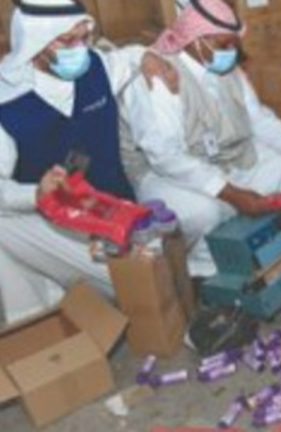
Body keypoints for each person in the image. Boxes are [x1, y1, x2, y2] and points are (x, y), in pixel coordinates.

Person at [119, 0, 281, 278]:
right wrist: (233, 194)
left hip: (225, 157)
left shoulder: (224, 66)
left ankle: (260, 247)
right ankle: (204, 273)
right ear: (197, 41)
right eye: (224, 45)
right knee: (207, 212)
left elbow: (260, 120)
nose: (232, 52)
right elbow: (166, 156)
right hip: (164, 174)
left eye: (234, 44)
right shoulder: (161, 77)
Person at [0, 0, 177, 324]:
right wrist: (34, 195)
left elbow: (131, 56)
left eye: (84, 37)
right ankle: (37, 322)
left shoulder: (96, 67)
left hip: (116, 214)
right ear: (36, 44)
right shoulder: (6, 103)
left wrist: (148, 57)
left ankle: (76, 293)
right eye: (67, 41)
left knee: (152, 276)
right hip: (56, 225)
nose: (79, 50)